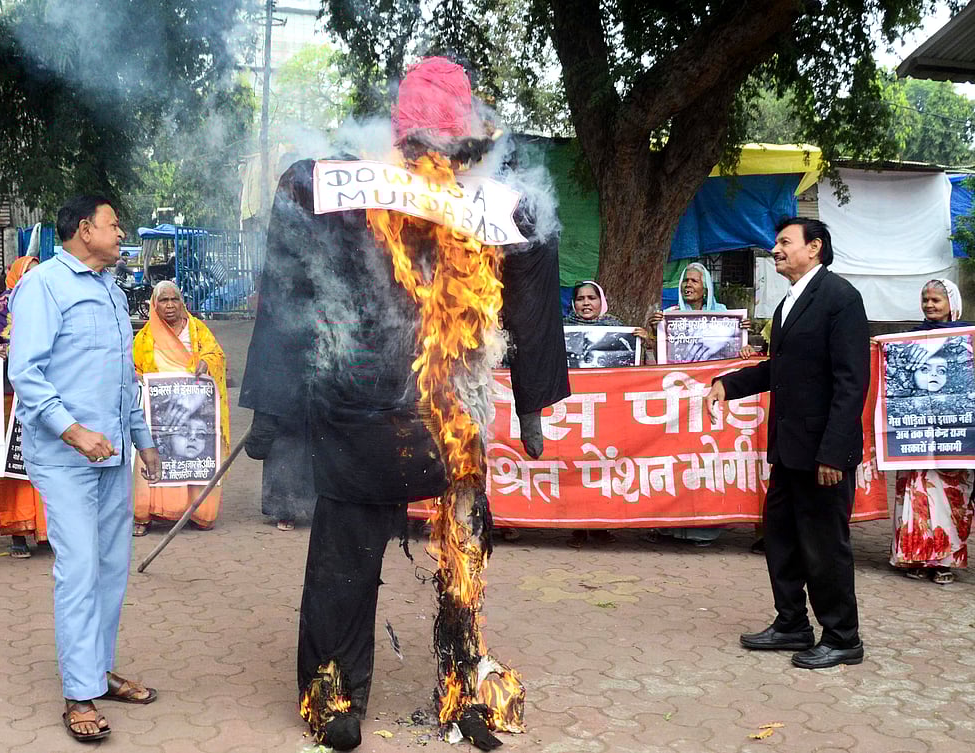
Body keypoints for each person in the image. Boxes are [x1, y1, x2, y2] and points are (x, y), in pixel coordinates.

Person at [240, 58, 569, 749]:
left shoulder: (497, 205)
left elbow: (534, 278)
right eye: (424, 142)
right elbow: (290, 278)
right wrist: (273, 407)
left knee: (463, 551)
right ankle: (332, 695)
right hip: (357, 404)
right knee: (344, 560)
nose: (435, 158)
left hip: (454, 408)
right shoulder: (336, 185)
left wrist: (535, 401)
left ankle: (462, 692)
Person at [9, 194, 163, 743]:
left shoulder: (112, 289)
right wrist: (73, 430)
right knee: (78, 571)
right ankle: (78, 694)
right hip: (66, 457)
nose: (121, 234)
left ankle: (96, 670)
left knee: (112, 568)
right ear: (83, 229)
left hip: (114, 454)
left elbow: (125, 377)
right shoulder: (42, 286)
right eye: (113, 225)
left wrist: (142, 439)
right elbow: (24, 373)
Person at [709, 217, 869, 670]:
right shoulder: (787, 305)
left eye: (784, 242)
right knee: (780, 537)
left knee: (823, 546)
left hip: (823, 454)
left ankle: (842, 637)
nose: (775, 249)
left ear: (814, 247)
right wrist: (729, 383)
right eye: (776, 242)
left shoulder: (841, 299)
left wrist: (834, 453)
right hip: (789, 450)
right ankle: (792, 623)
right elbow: (779, 369)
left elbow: (850, 383)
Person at [648, 262, 750, 547]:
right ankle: (668, 528)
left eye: (694, 280)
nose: (688, 285)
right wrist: (655, 334)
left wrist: (742, 339)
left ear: (706, 286)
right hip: (676, 407)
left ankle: (702, 530)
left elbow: (735, 359)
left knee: (705, 460)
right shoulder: (670, 318)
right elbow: (657, 365)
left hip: (709, 404)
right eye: (685, 281)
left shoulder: (724, 318)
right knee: (674, 464)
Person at [888, 279, 974, 585]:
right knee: (917, 495)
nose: (929, 305)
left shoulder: (969, 338)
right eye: (925, 300)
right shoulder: (910, 341)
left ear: (952, 302)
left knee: (950, 499)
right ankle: (914, 557)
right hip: (917, 437)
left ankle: (944, 562)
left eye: (936, 300)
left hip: (955, 438)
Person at [131, 280, 229, 535]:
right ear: (154, 305)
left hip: (196, 410)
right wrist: (141, 379)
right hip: (160, 413)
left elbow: (216, 355)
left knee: (198, 454)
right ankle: (145, 515)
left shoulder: (198, 330)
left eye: (175, 300)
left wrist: (207, 364)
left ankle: (199, 513)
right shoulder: (144, 338)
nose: (170, 305)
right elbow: (133, 368)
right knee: (157, 454)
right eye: (163, 300)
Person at [563, 280, 645, 544]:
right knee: (574, 465)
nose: (586, 303)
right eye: (580, 299)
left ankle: (601, 524)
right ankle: (576, 524)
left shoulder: (617, 328)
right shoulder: (561, 329)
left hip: (607, 411)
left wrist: (645, 343)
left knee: (603, 466)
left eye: (591, 298)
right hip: (573, 410)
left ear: (601, 301)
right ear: (573, 304)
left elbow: (636, 369)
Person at [0, 255, 48, 558]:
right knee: (15, 464)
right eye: (27, 274)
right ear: (15, 277)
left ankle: (47, 530)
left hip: (46, 395)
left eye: (38, 274)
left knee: (48, 462)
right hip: (10, 396)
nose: (33, 280)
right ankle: (18, 531)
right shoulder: (0, 309)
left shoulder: (51, 306)